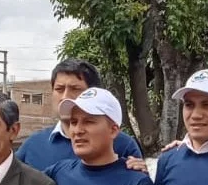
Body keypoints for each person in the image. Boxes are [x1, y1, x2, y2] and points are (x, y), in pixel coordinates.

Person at [16, 60, 144, 170]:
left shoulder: (123, 145)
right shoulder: (32, 146)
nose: (65, 97)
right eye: (59, 89)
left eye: (75, 89)